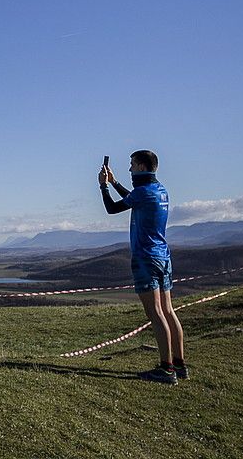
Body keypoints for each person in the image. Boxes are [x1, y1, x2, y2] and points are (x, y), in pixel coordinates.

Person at [99, 150, 188, 384]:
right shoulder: (159, 191)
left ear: (140, 166)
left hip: (145, 258)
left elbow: (112, 208)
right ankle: (179, 365)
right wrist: (115, 181)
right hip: (163, 256)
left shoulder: (143, 193)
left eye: (131, 165)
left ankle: (166, 369)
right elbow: (133, 197)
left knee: (155, 313)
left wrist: (103, 187)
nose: (129, 170)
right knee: (168, 311)